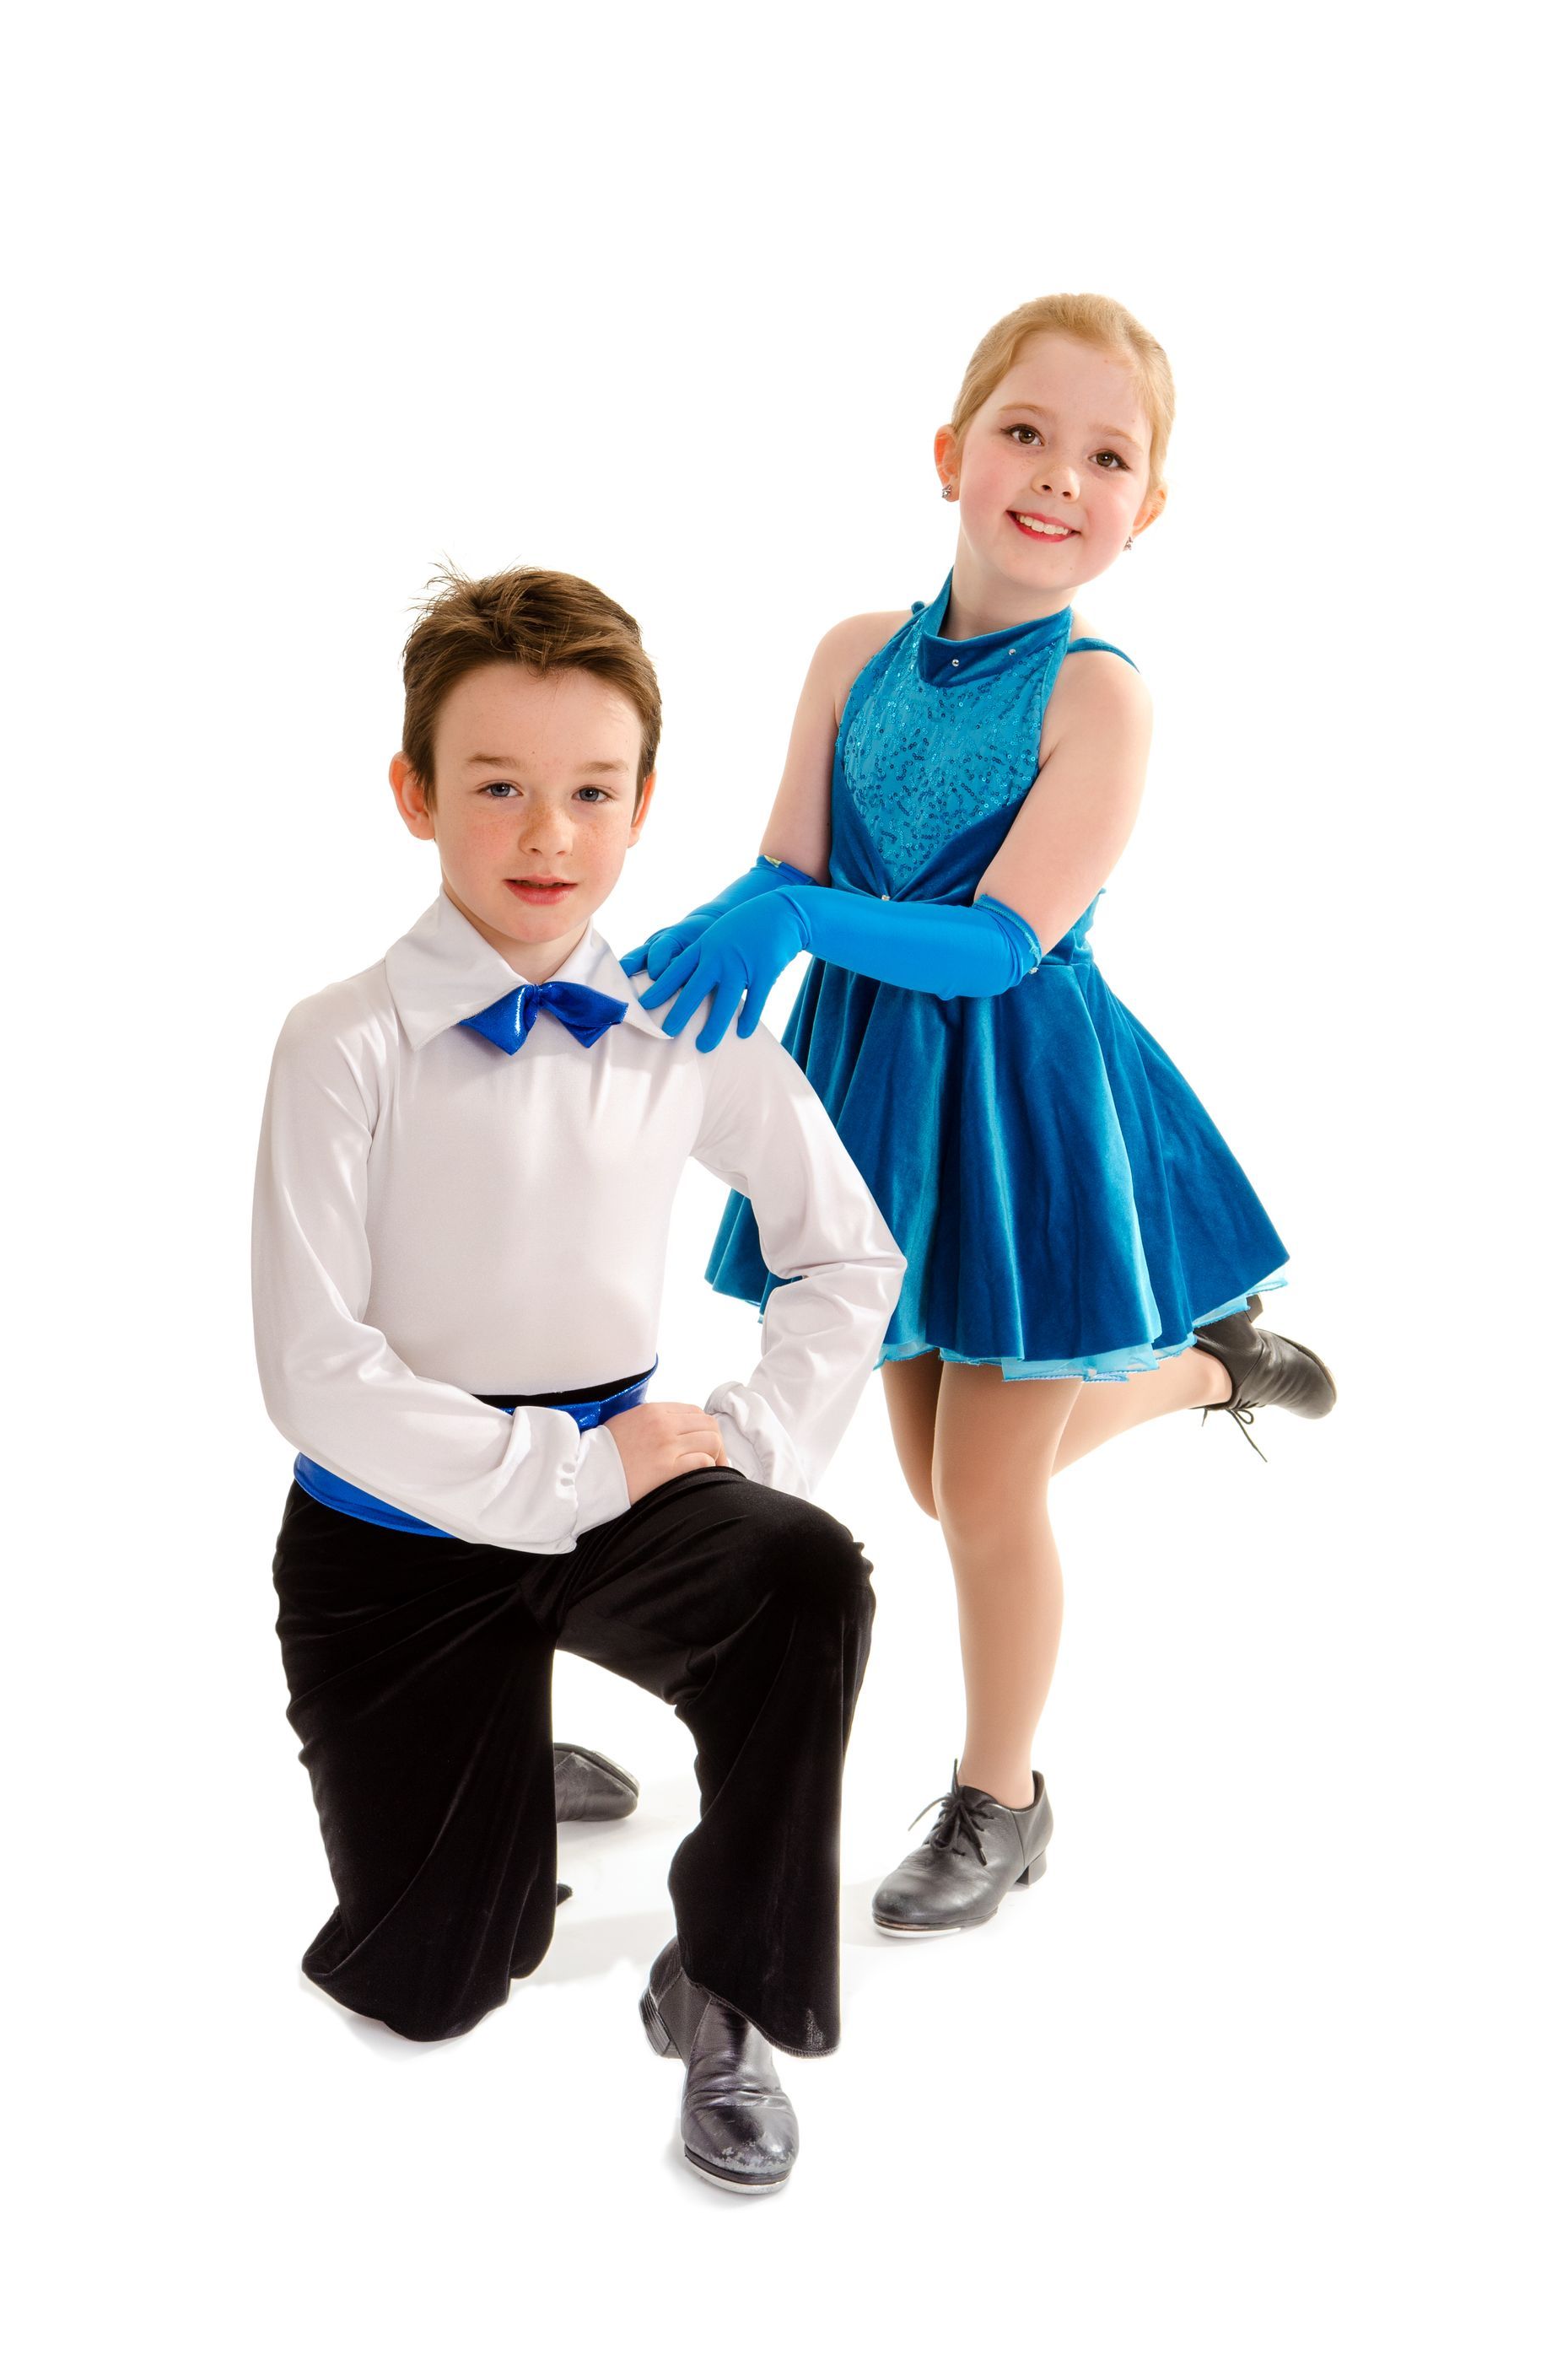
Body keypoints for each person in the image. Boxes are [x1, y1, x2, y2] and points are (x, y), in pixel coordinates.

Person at [622, 293, 1335, 1941]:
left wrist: (796, 924)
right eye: (1026, 432)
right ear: (952, 453)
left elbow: (999, 937)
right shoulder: (847, 651)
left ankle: (1001, 1798)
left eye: (1108, 457)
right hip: (878, 1086)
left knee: (991, 1499)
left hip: (1022, 1102)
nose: (1057, 476)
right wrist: (697, 944)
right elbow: (789, 863)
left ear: (1142, 512)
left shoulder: (1102, 695)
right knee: (947, 1479)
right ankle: (1215, 1365)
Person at [251, 566, 905, 2191]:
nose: (546, 834)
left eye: (588, 793)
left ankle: (732, 1989)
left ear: (640, 808)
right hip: (394, 1530)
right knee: (432, 1990)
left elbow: (851, 1258)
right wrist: (563, 1482)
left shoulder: (688, 1017)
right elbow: (316, 1369)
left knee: (806, 1576)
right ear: (414, 794)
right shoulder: (341, 1043)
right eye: (496, 787)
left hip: (628, 1477)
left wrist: (738, 1447)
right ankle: (495, 1737)